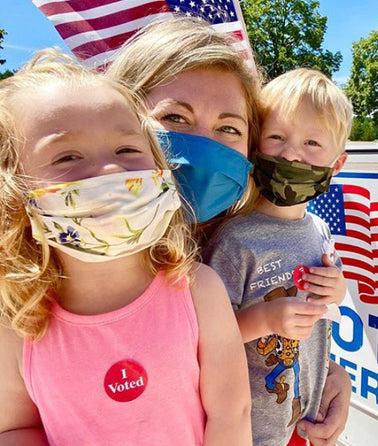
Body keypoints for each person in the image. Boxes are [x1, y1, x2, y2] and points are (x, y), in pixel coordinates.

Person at [106, 16, 351, 446]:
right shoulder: (69, 270)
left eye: (228, 128)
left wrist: (332, 376)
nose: (206, 145)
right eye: (176, 117)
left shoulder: (217, 229)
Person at [0, 49, 251, 445]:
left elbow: (231, 413)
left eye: (127, 150)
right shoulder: (17, 325)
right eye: (67, 156)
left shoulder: (200, 290)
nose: (112, 170)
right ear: (12, 191)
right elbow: (15, 428)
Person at [203, 67, 353, 446]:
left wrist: (337, 291)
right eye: (277, 137)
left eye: (312, 144)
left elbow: (327, 311)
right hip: (249, 428)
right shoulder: (235, 240)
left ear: (336, 165)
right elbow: (205, 339)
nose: (291, 154)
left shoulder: (319, 230)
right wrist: (264, 319)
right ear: (256, 146)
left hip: (302, 416)